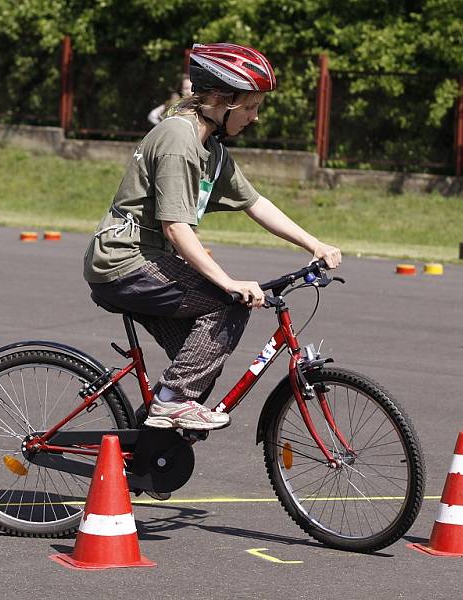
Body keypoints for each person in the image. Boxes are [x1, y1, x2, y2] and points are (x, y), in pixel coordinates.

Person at [85, 42, 342, 431]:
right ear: (222, 100)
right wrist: (227, 282)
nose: (255, 117)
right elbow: (176, 227)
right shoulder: (179, 139)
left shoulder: (212, 150)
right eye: (250, 107)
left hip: (149, 263)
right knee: (225, 304)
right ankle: (169, 404)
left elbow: (254, 203)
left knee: (202, 365)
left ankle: (144, 449)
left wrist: (314, 243)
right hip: (124, 261)